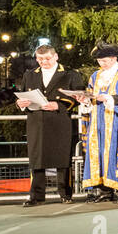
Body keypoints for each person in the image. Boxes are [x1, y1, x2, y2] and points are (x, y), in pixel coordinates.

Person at [17, 43, 83, 206]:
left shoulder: (70, 74)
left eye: (47, 59)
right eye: (39, 59)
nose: (43, 62)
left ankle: (65, 193)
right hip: (36, 121)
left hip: (60, 121)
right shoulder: (30, 75)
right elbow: (23, 94)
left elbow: (79, 96)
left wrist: (59, 105)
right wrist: (20, 103)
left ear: (55, 57)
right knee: (36, 159)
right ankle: (36, 196)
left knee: (63, 159)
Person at [78, 42, 118, 202]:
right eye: (100, 61)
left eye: (105, 61)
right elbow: (90, 94)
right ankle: (104, 191)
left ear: (114, 58)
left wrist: (109, 98)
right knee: (99, 154)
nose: (102, 64)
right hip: (98, 122)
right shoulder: (96, 75)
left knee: (115, 153)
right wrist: (85, 100)